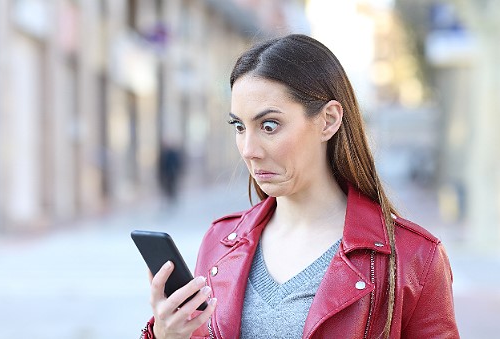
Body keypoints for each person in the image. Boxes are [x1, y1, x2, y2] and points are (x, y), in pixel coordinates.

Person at [141, 34, 459, 338]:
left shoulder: (414, 257)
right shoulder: (220, 242)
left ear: (329, 120)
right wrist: (167, 335)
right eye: (239, 126)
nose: (249, 149)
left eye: (269, 125)